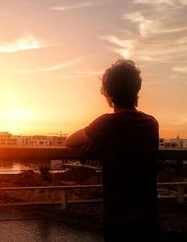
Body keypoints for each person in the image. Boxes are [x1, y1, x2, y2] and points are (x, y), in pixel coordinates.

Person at [65, 59, 160, 241]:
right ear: (136, 90)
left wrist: (98, 142)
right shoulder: (151, 123)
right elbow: (128, 141)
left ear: (108, 93)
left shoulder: (107, 123)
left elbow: (71, 141)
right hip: (149, 216)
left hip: (119, 217)